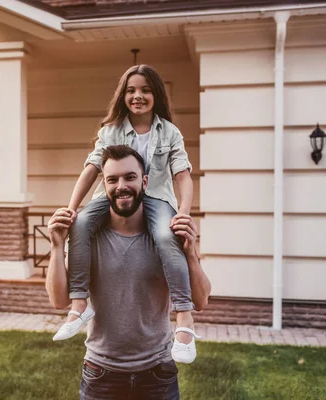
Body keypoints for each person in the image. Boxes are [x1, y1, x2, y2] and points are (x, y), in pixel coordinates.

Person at [54, 64, 197, 363]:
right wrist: (70, 208)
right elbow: (91, 170)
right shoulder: (111, 131)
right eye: (131, 90)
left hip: (155, 198)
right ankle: (80, 304)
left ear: (156, 94)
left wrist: (183, 212)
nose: (138, 96)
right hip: (112, 197)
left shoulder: (170, 132)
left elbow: (182, 175)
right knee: (80, 224)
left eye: (145, 90)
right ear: (123, 96)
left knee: (164, 234)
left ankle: (184, 319)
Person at [46, 145, 211, 399]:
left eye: (130, 177)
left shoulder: (166, 239)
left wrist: (191, 254)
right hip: (100, 373)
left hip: (157, 373)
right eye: (112, 179)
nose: (121, 185)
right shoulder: (90, 239)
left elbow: (200, 301)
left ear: (145, 181)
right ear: (105, 185)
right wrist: (57, 247)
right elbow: (58, 301)